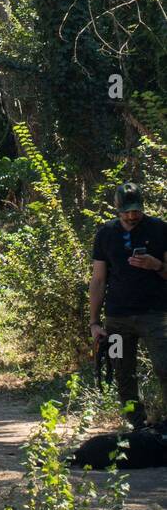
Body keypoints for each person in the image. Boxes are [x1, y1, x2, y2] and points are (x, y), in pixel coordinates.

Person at [90, 183, 167, 428]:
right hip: (116, 319)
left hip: (156, 315)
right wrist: (94, 322)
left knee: (165, 368)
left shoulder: (160, 229)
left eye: (136, 211)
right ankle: (137, 425)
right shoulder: (105, 234)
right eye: (127, 211)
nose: (132, 216)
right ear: (117, 209)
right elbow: (98, 280)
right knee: (122, 373)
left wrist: (156, 265)